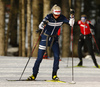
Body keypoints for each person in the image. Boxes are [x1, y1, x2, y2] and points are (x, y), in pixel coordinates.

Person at [27, 4, 74, 81]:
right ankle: (33, 75)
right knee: (39, 58)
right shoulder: (48, 17)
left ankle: (54, 75)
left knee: (56, 57)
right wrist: (43, 23)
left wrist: (72, 16)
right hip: (45, 38)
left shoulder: (62, 17)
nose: (56, 16)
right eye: (55, 15)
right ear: (53, 12)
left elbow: (71, 24)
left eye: (58, 15)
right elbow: (40, 26)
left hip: (54, 39)